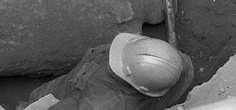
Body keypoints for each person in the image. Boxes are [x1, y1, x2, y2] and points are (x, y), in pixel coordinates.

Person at [21, 33, 194, 110]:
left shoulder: (101, 104)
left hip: (69, 91)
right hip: (87, 78)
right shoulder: (173, 62)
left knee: (40, 97)